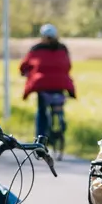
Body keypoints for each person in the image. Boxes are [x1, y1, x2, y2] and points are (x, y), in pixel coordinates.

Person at [20, 23, 75, 151]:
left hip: (42, 85)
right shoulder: (62, 48)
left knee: (41, 111)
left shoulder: (36, 49)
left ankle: (40, 139)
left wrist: (27, 73)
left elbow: (24, 66)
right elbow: (68, 65)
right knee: (57, 105)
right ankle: (60, 124)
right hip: (61, 83)